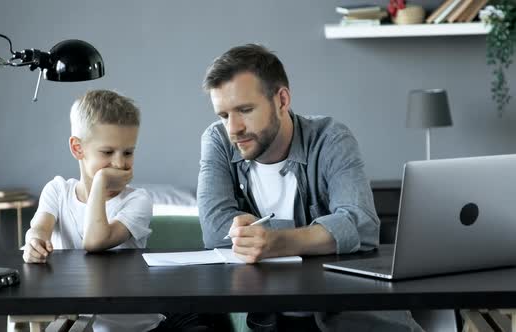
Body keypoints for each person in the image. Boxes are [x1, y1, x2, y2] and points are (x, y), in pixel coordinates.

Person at [198, 44, 423, 331]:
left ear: (282, 100)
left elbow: (362, 225)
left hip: (350, 316)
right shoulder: (218, 140)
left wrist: (274, 241)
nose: (233, 128)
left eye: (245, 110)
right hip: (272, 318)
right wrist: (318, 236)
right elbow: (215, 232)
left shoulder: (330, 137)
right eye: (223, 115)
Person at [23, 90, 215, 332]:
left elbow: (95, 241)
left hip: (139, 328)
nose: (120, 163)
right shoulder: (57, 190)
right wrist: (34, 241)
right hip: (81, 324)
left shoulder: (137, 200)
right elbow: (39, 228)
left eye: (128, 152)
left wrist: (101, 179)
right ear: (77, 148)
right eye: (107, 152)